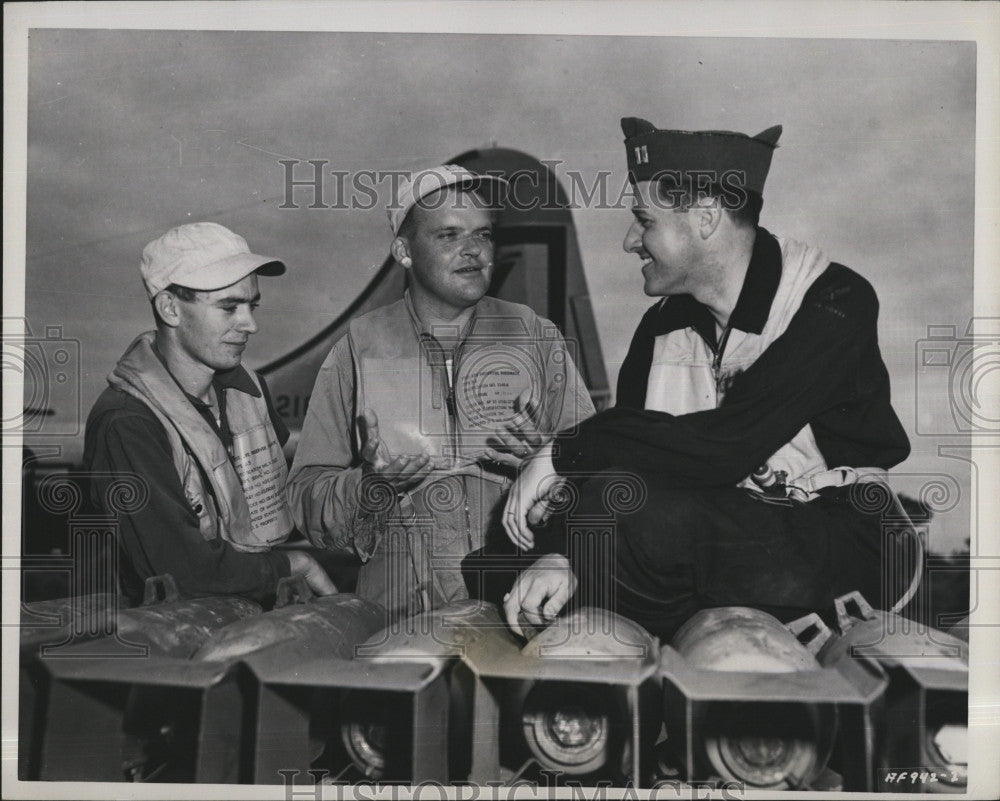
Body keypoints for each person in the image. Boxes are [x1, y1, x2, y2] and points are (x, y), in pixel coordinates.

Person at [497, 118, 914, 639]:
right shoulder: (659, 328)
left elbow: (727, 445)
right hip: (714, 531)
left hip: (843, 539)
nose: (631, 241)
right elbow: (632, 466)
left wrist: (564, 451)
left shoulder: (833, 299)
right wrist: (562, 547)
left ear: (706, 218)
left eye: (643, 220)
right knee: (501, 554)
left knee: (624, 514)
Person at [287, 165, 595, 619]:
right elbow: (305, 494)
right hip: (401, 612)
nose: (473, 251)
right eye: (448, 236)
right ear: (404, 251)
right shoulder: (359, 347)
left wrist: (551, 467)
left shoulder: (535, 335)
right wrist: (371, 487)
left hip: (521, 607)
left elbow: (598, 468)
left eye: (484, 235)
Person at [84, 222, 337, 606]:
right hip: (168, 640)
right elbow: (180, 573)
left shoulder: (250, 394)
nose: (250, 324)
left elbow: (293, 503)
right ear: (170, 308)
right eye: (228, 307)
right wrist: (291, 565)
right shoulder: (128, 421)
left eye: (251, 305)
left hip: (251, 614)